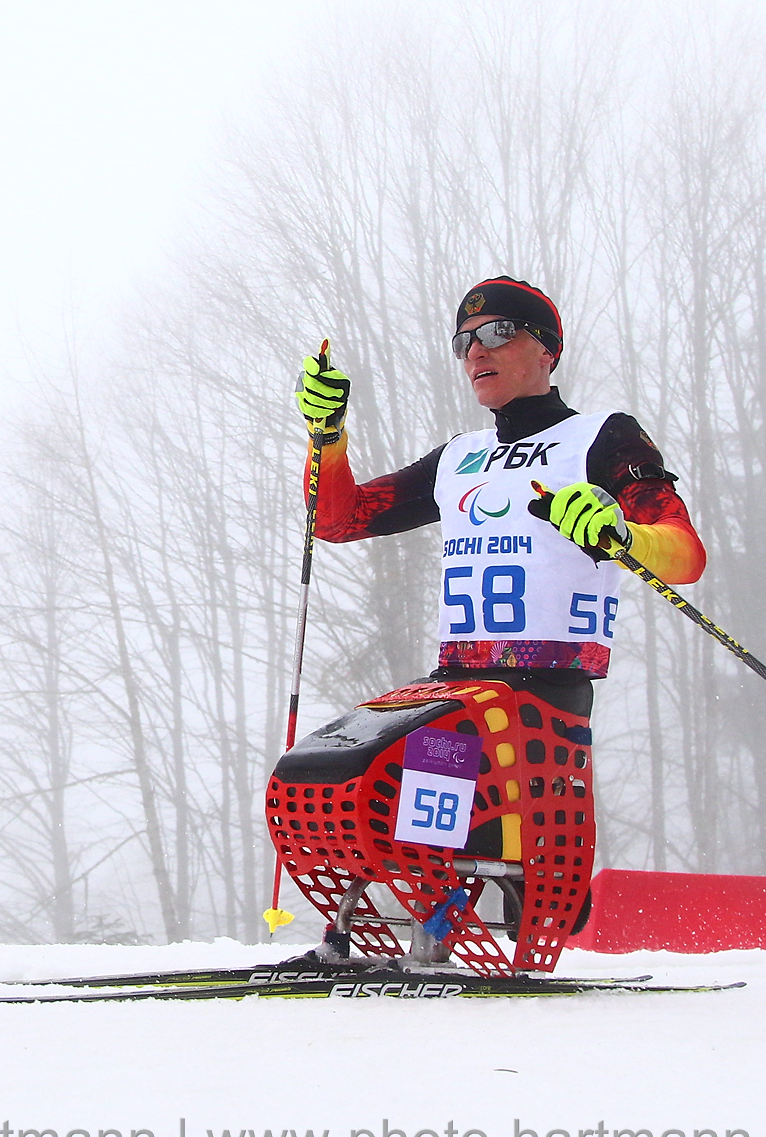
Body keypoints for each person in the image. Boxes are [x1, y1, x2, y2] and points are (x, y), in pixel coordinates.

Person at [275, 276, 705, 963]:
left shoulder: (600, 437)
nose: (478, 348)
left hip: (543, 687)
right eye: (464, 340)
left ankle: (484, 912)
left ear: (548, 350)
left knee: (420, 786)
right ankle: (369, 932)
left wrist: (620, 530)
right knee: (339, 773)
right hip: (458, 685)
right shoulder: (460, 457)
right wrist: (327, 434)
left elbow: (683, 553)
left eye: (500, 332)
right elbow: (338, 516)